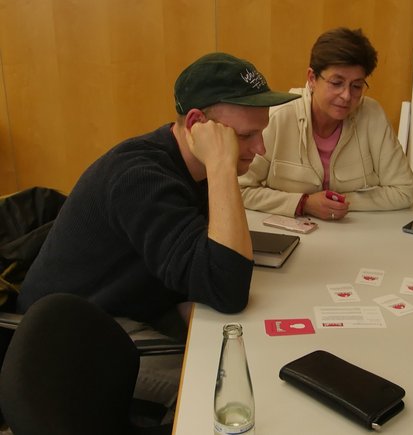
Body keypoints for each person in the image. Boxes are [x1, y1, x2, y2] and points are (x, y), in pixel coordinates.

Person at [18, 52, 298, 419]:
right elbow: (227, 289)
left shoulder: (183, 164)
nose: (259, 149)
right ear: (198, 123)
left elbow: (204, 270)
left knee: (250, 353)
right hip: (72, 341)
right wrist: (221, 167)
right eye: (246, 135)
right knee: (230, 390)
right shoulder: (142, 177)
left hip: (136, 306)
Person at [239, 27, 413, 221]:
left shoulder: (372, 115)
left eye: (356, 86)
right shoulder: (279, 116)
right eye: (336, 83)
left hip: (356, 235)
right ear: (312, 79)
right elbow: (239, 189)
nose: (347, 96)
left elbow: (404, 190)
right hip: (292, 236)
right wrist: (303, 203)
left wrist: (339, 202)